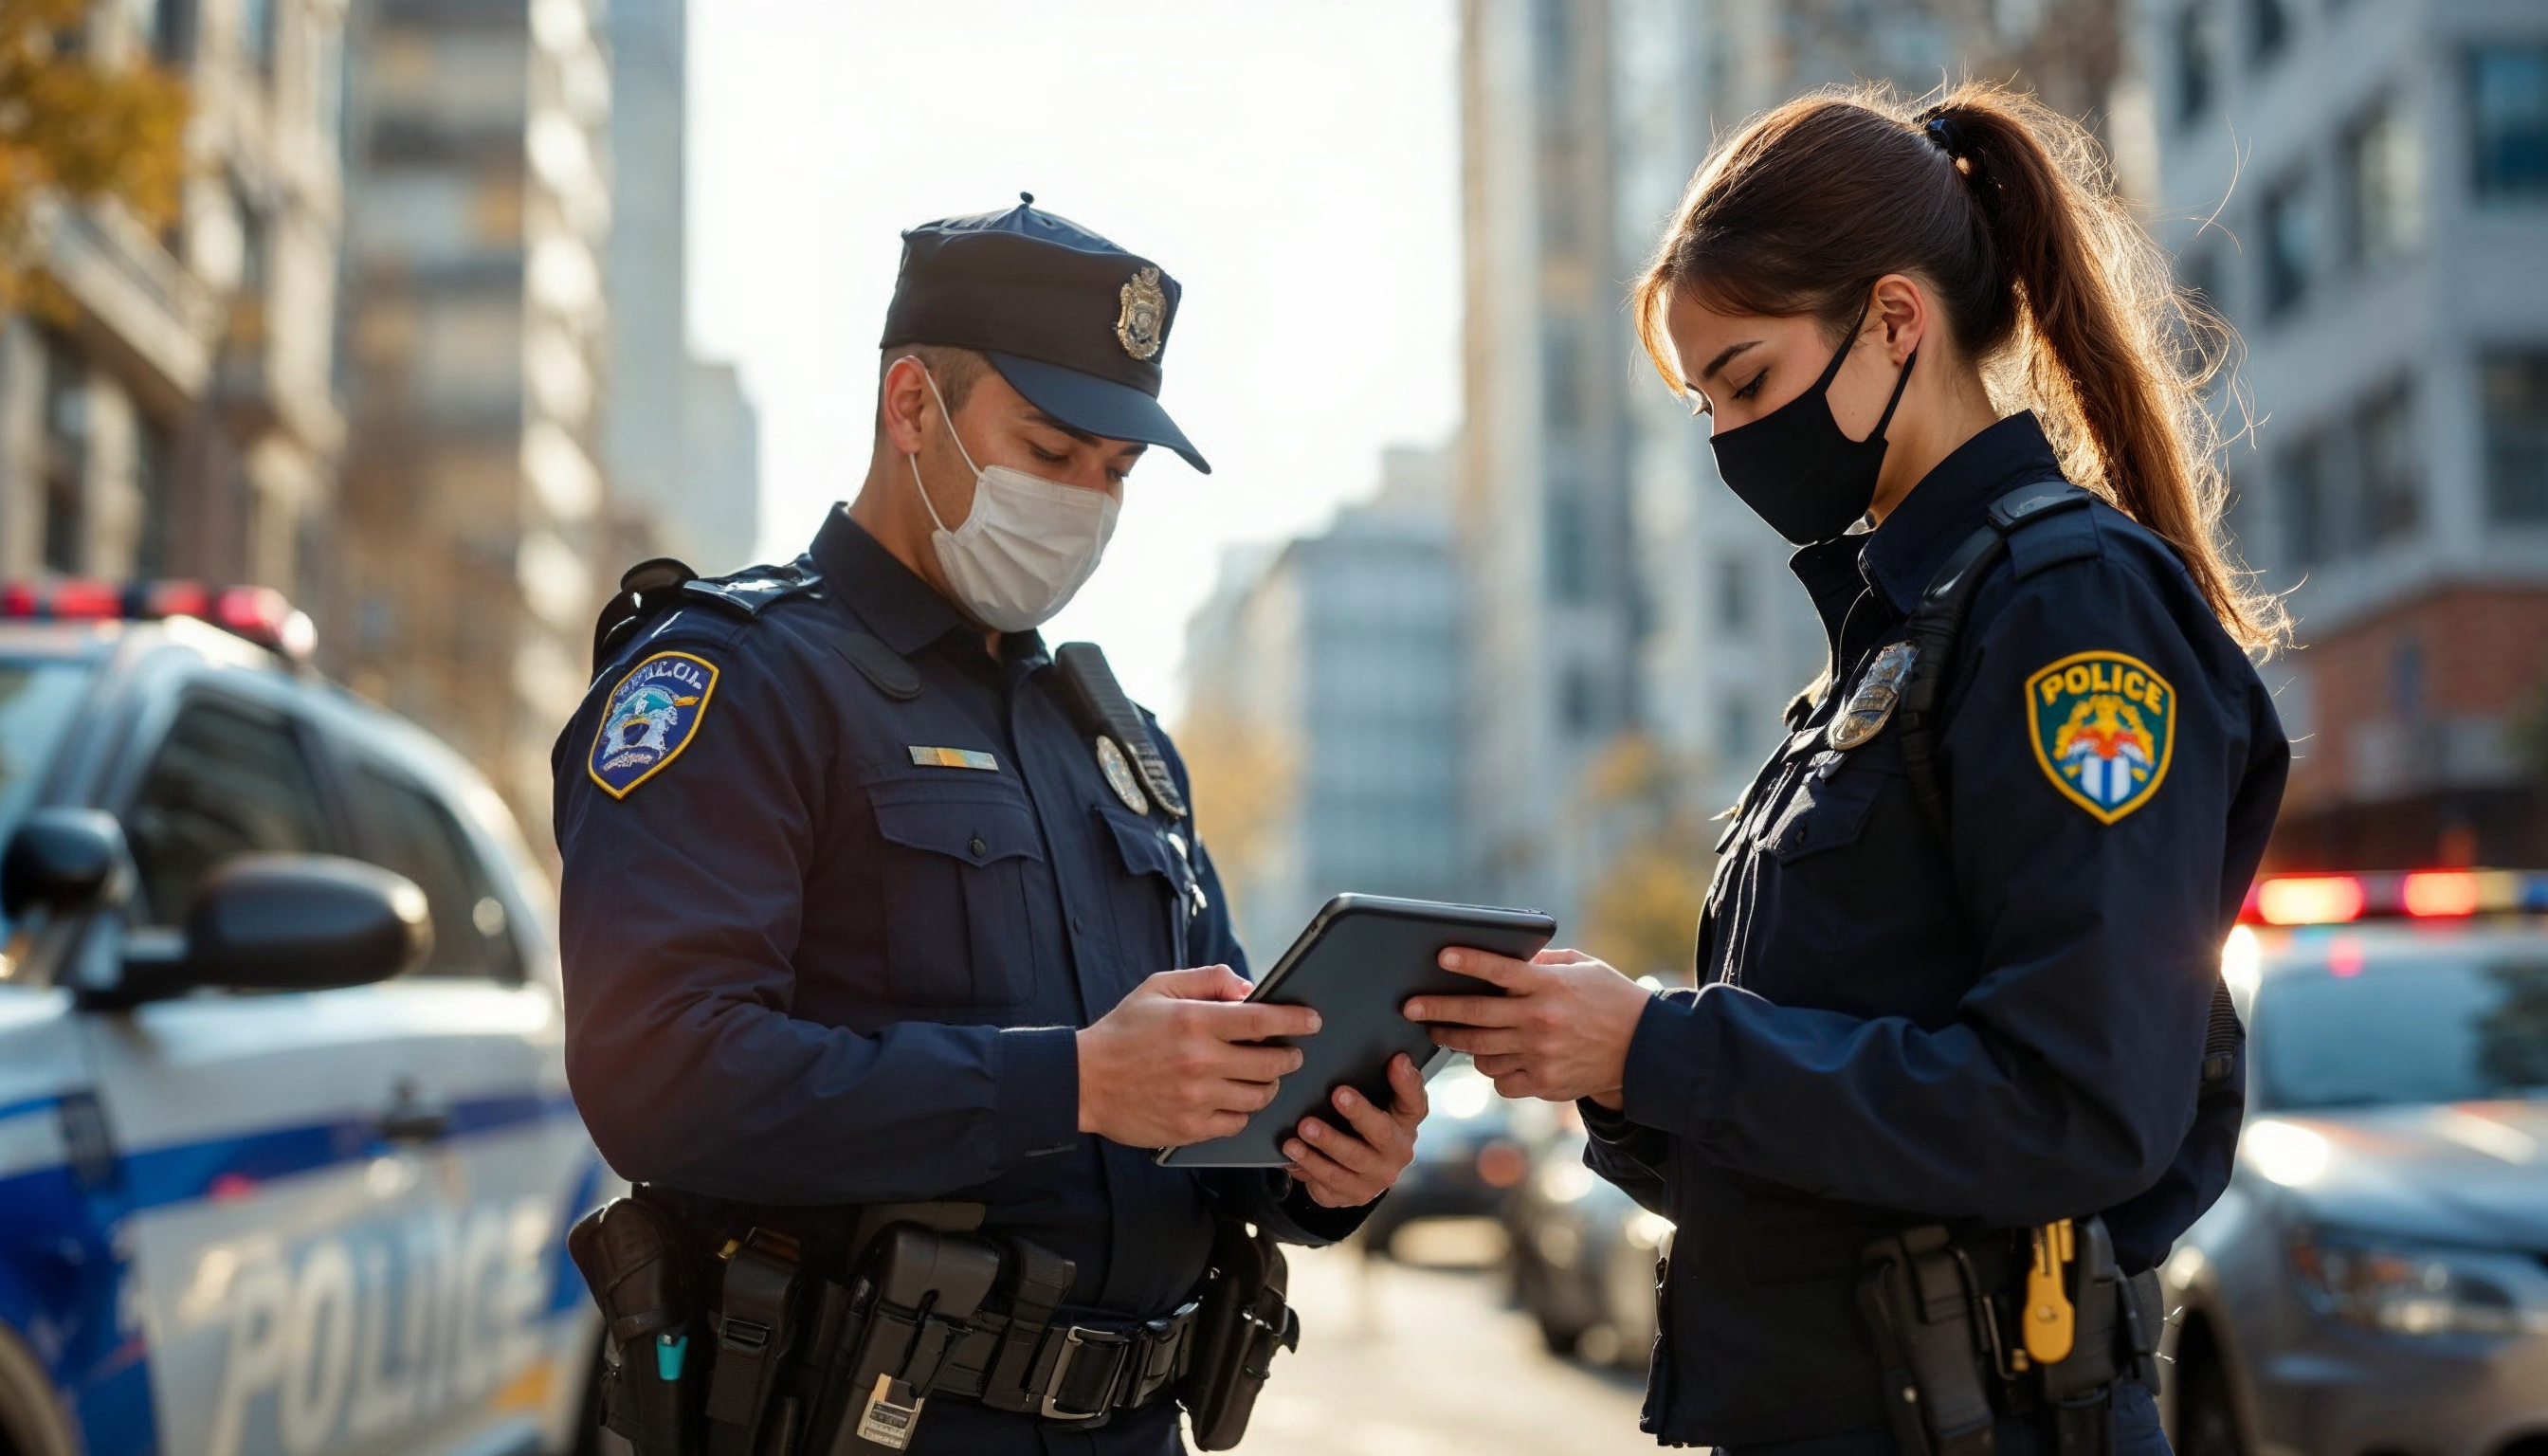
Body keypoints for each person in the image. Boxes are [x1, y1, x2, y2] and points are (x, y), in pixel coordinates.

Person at [1410, 84, 2289, 1454]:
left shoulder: (2067, 612)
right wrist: (1603, 1061)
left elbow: (2074, 1107)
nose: (1725, 440)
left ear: (1894, 320)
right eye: (1702, 401)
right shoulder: (1889, 645)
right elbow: (1822, 1149)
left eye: (1747, 379)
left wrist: (1664, 1046)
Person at [554, 197, 1427, 1456]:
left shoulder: (1116, 743)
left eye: (1117, 474)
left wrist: (1319, 1164)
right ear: (912, 408)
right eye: (1053, 451)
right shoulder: (738, 681)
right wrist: (1069, 1083)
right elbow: (658, 1077)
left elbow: (1200, 1098)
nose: (1088, 501)